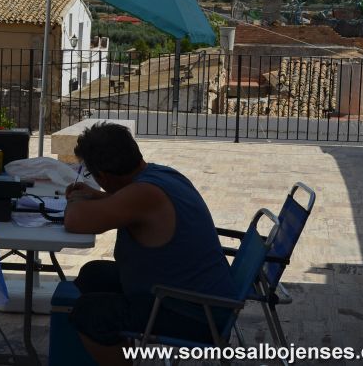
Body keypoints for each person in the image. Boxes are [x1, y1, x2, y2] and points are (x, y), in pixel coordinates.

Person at [63, 122, 236, 365]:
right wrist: (96, 195)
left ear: (104, 176)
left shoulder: (143, 195)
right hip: (193, 294)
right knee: (93, 274)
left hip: (195, 314)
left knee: (90, 314)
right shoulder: (161, 176)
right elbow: (126, 203)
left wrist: (76, 198)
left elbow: (74, 220)